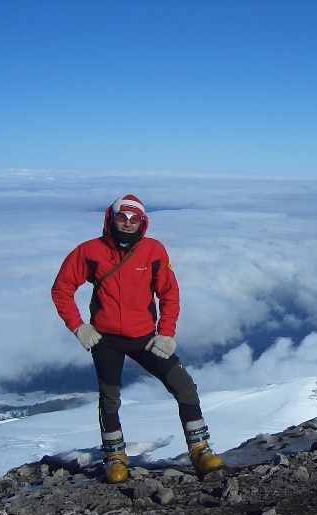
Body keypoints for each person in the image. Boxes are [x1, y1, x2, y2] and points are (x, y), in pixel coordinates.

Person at [51, 194, 223, 483]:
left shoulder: (153, 251)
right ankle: (115, 457)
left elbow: (169, 292)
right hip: (104, 339)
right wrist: (79, 327)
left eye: (135, 219)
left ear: (143, 222)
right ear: (111, 218)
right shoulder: (89, 251)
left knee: (184, 387)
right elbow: (62, 288)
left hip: (145, 338)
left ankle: (199, 450)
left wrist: (166, 333)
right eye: (122, 217)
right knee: (109, 400)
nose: (128, 223)